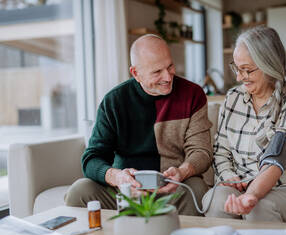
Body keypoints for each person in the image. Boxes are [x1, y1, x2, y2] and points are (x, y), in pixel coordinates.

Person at [65, 34, 212, 216]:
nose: (167, 77)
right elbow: (91, 158)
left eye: (170, 66)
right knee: (81, 190)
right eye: (157, 72)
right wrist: (118, 178)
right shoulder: (114, 101)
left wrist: (181, 172)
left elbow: (202, 152)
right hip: (125, 192)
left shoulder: (193, 95)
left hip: (172, 189)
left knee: (197, 187)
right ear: (135, 73)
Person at [202, 26, 286, 222]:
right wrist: (228, 176)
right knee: (214, 201)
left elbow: (276, 157)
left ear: (269, 65)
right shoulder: (233, 98)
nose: (238, 77)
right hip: (242, 184)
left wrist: (251, 194)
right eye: (236, 67)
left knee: (257, 209)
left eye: (247, 70)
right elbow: (221, 151)